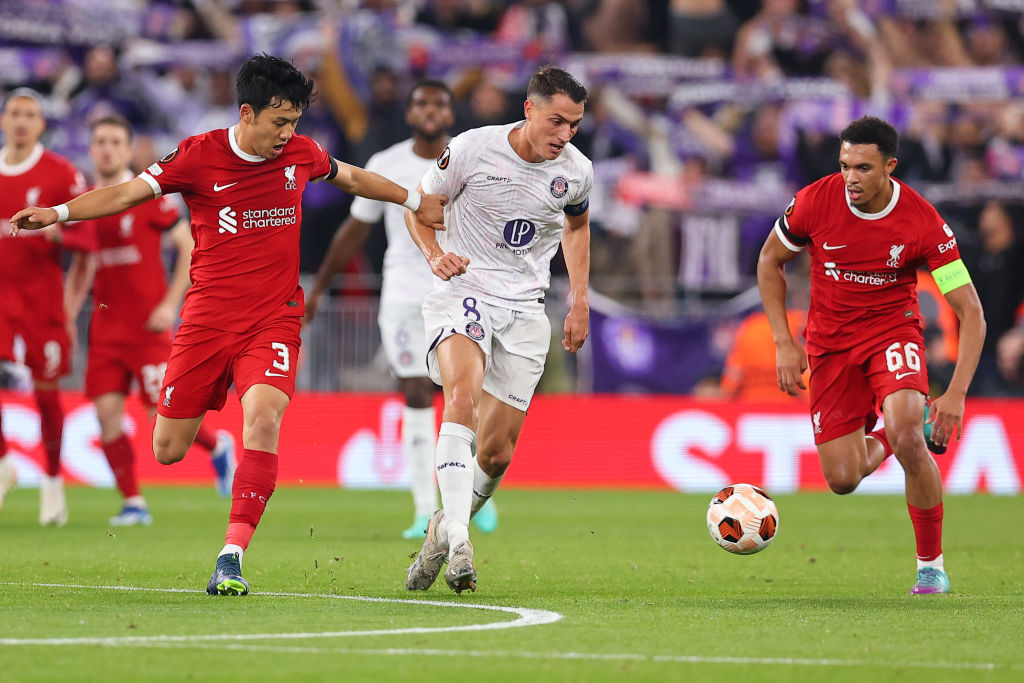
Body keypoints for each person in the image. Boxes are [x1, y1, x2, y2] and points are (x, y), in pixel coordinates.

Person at [11, 54, 446, 596]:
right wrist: (61, 212)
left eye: (295, 123)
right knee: (168, 448)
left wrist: (412, 199)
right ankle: (212, 457)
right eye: (279, 123)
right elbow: (125, 192)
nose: (289, 135)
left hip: (273, 319)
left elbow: (353, 177)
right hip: (207, 322)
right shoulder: (198, 156)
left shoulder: (302, 154)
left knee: (263, 420)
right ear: (247, 112)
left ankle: (231, 556)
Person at [756, 116, 986, 595]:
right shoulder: (815, 201)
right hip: (830, 344)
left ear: (890, 167)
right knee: (843, 477)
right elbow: (769, 261)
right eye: (844, 166)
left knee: (907, 436)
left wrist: (957, 393)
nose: (850, 178)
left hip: (891, 333)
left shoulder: (923, 222)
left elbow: (971, 312)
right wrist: (783, 341)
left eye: (862, 167)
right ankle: (898, 430)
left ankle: (931, 566)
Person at [404, 65, 592, 594]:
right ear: (529, 109)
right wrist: (435, 254)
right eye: (557, 121)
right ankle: (461, 542)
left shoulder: (576, 172)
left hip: (526, 308)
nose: (565, 135)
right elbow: (417, 211)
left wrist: (579, 300)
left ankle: (444, 524)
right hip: (464, 292)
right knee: (460, 398)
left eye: (574, 125)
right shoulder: (469, 149)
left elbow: (577, 228)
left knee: (496, 454)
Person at [305, 79, 497, 540]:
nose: (430, 110)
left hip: (458, 291)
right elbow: (353, 231)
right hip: (403, 296)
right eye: (421, 103)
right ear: (410, 114)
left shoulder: (472, 159)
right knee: (414, 392)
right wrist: (319, 290)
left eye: (439, 103)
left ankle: (474, 496)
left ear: (450, 114)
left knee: (464, 397)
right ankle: (422, 508)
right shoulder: (385, 163)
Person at [77, 115, 237, 527]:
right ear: (91, 149)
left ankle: (218, 446)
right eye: (100, 141)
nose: (107, 148)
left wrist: (171, 303)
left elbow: (187, 245)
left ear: (129, 151)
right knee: (107, 417)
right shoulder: (87, 200)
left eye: (116, 141)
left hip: (147, 328)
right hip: (105, 330)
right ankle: (134, 503)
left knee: (160, 414)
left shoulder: (149, 195)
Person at [0, 88, 93, 525]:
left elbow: (88, 242)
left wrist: (60, 233)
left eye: (30, 114)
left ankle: (54, 483)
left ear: (41, 124)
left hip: (42, 302)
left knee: (47, 397)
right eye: (14, 113)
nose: (21, 121)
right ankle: (4, 463)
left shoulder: (62, 175)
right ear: (4, 120)